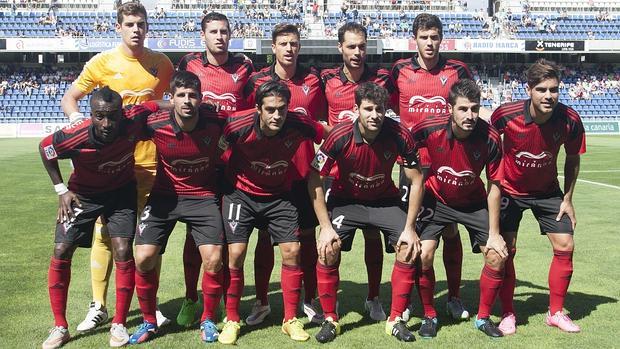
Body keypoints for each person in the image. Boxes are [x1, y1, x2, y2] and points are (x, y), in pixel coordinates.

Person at [60, 1, 174, 332]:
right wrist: (77, 119)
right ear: (119, 27)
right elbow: (71, 97)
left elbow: (170, 100)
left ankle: (148, 305)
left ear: (148, 26)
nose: (136, 29)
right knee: (106, 234)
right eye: (130, 24)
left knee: (149, 236)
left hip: (152, 164)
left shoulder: (161, 64)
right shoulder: (102, 63)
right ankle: (98, 305)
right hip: (111, 167)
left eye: (141, 23)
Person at [40, 87, 160, 349]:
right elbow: (45, 148)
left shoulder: (133, 118)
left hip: (121, 193)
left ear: (121, 113)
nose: (107, 124)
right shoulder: (74, 136)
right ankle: (60, 326)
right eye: (100, 116)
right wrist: (62, 190)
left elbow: (158, 104)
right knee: (61, 249)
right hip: (83, 195)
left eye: (113, 116)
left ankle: (118, 323)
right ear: (91, 114)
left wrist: (185, 105)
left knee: (122, 249)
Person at [308, 82, 424, 343]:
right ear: (356, 109)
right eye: (368, 109)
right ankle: (330, 318)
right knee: (328, 248)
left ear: (386, 111)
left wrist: (410, 227)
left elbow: (417, 180)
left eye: (380, 109)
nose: (374, 115)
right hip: (346, 200)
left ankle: (395, 320)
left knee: (408, 246)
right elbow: (314, 176)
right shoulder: (339, 136)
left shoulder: (399, 134)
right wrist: (325, 226)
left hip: (384, 201)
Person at [219, 81, 326, 344]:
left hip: (279, 195)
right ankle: (232, 318)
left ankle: (289, 319)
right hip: (241, 194)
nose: (277, 115)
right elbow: (216, 152)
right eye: (270, 110)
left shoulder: (300, 123)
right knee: (236, 253)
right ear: (258, 109)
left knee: (292, 251)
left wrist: (322, 163)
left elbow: (331, 137)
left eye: (282, 109)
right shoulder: (237, 126)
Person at [128, 71, 227, 344]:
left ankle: (207, 318)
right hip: (164, 196)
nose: (187, 101)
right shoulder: (155, 123)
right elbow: (128, 122)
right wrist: (152, 103)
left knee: (215, 259)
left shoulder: (216, 120)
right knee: (145, 257)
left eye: (192, 95)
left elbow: (242, 127)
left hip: (203, 196)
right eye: (181, 95)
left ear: (201, 99)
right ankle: (149, 321)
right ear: (172, 98)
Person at [491, 59, 586, 335]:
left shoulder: (569, 120)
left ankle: (555, 312)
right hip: (510, 191)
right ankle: (508, 312)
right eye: (542, 89)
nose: (548, 96)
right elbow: (487, 143)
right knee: (505, 251)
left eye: (554, 89)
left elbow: (572, 159)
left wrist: (567, 198)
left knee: (565, 244)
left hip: (547, 192)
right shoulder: (505, 115)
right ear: (528, 89)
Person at [243, 23, 327, 326]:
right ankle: (262, 301)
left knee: (306, 237)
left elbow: (320, 123)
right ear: (273, 48)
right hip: (267, 174)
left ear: (299, 47)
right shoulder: (256, 82)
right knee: (265, 238)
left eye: (294, 43)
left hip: (303, 173)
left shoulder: (313, 80)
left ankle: (309, 299)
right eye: (283, 43)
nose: (289, 49)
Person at [410, 79, 508, 338]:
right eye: (463, 109)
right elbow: (403, 142)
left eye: (475, 109)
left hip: (473, 203)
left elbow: (495, 185)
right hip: (437, 200)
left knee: (497, 254)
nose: (470, 115)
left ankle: (483, 317)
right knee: (424, 255)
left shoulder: (490, 137)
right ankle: (429, 314)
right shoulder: (429, 128)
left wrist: (495, 232)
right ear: (449, 108)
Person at [391, 13, 472, 322]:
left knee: (450, 230)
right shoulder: (399, 70)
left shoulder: (457, 70)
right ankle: (411, 297)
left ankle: (453, 295)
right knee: (410, 234)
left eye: (435, 36)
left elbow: (469, 107)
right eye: (424, 37)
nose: (430, 42)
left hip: (445, 165)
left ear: (441, 39)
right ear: (415, 38)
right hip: (410, 167)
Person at [175, 11, 254, 328]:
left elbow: (252, 108)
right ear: (203, 35)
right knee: (194, 237)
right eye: (213, 31)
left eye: (224, 31)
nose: (219, 36)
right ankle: (190, 298)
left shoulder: (245, 66)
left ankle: (224, 301)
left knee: (231, 238)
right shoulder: (189, 63)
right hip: (201, 164)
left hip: (233, 164)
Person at [320, 22, 395, 321]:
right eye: (351, 46)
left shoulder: (383, 79)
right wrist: (341, 129)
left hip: (374, 169)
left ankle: (373, 297)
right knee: (330, 243)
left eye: (362, 46)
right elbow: (314, 120)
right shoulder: (324, 79)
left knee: (374, 236)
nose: (357, 52)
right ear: (340, 48)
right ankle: (328, 303)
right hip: (337, 175)